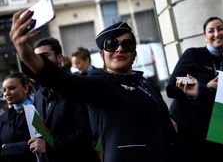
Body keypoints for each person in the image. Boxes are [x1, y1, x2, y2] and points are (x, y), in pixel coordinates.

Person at [9, 15, 180, 162]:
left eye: (127, 45)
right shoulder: (99, 82)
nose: (119, 48)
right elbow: (64, 83)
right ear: (102, 55)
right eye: (112, 44)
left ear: (134, 54)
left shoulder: (148, 86)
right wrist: (27, 55)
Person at [166, 16, 223, 162]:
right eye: (211, 31)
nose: (217, 34)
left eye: (220, 29)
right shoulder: (193, 55)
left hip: (215, 132)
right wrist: (203, 88)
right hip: (187, 129)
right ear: (205, 37)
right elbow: (172, 86)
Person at [30, 37, 99, 162]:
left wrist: (50, 146)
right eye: (36, 57)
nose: (40, 61)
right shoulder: (39, 95)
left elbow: (85, 134)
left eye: (45, 56)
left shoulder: (76, 87)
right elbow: (43, 132)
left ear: (60, 59)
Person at [0, 72, 37, 162]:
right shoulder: (4, 117)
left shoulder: (37, 112)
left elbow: (40, 144)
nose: (6, 93)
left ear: (25, 88)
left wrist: (8, 148)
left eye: (12, 88)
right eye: (4, 90)